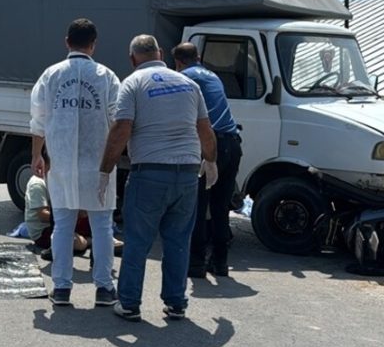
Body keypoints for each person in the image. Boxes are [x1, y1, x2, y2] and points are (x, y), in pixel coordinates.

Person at [99, 34, 217, 322]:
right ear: (161, 53)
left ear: (132, 59)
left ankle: (129, 303)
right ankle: (176, 303)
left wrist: (105, 170)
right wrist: (211, 161)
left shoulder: (133, 83)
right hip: (187, 175)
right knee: (178, 241)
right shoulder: (189, 85)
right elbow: (205, 129)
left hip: (150, 173)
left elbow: (121, 130)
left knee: (138, 241)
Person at [30, 18, 120, 308]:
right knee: (102, 225)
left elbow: (38, 120)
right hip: (99, 163)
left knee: (64, 226)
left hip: (63, 162)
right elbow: (119, 120)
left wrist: (37, 155)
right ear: (93, 44)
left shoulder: (51, 75)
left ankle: (62, 288)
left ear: (67, 41)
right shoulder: (106, 76)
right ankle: (104, 288)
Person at [172, 43, 244, 277]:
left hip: (211, 144)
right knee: (220, 207)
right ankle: (220, 263)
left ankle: (195, 264)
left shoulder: (184, 77)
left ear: (178, 62)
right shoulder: (212, 75)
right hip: (232, 144)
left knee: (198, 206)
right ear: (199, 57)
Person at [24, 173, 89, 259]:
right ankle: (91, 242)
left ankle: (106, 242)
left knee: (93, 221)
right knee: (80, 244)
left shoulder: (58, 178)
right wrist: (72, 216)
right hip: (43, 231)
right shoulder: (37, 184)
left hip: (61, 222)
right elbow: (42, 215)